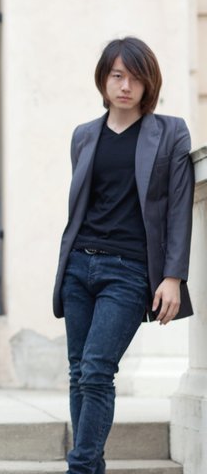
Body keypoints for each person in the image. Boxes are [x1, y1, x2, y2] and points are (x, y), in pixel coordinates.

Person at [53, 37, 194, 474]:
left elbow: (179, 207)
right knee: (79, 371)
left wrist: (173, 276)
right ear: (103, 80)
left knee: (97, 369)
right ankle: (90, 466)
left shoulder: (170, 132)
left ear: (148, 83)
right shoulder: (84, 136)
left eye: (135, 78)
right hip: (79, 265)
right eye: (117, 76)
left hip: (129, 271)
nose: (125, 86)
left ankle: (80, 466)